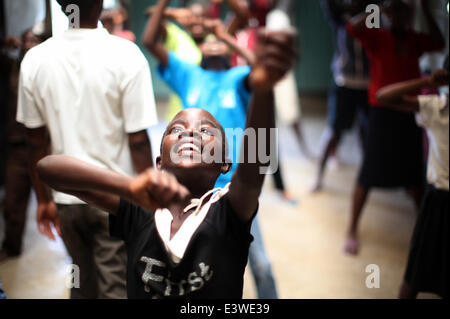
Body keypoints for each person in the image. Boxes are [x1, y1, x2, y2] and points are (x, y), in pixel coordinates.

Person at [35, 29, 297, 298]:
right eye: (176, 130)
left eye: (206, 131)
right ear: (159, 163)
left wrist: (263, 92)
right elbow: (48, 168)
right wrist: (129, 185)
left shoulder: (229, 210)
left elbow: (256, 166)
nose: (190, 133)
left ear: (225, 165)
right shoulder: (137, 210)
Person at [16, 0, 158, 298]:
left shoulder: (35, 60)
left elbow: (35, 141)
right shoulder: (126, 55)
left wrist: (44, 199)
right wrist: (151, 203)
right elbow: (138, 141)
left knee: (81, 281)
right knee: (117, 286)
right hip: (117, 202)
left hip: (65, 199)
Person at [143, 0, 280, 298]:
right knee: (191, 259)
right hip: (190, 188)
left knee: (261, 264)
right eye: (209, 41)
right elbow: (150, 41)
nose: (215, 44)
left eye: (222, 42)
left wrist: (227, 36)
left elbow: (262, 72)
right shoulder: (189, 74)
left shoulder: (238, 76)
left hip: (232, 190)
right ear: (199, 47)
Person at [343, 0, 445, 255]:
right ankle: (351, 229)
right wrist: (378, 8)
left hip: (409, 111)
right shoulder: (378, 37)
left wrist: (422, 8)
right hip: (381, 111)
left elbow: (439, 42)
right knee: (368, 174)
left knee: (414, 177)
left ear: (408, 15)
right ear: (389, 15)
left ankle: (424, 234)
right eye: (395, 12)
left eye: (403, 11)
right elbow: (352, 28)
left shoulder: (414, 39)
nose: (398, 16)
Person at [377, 60, 449, 299]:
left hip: (438, 200)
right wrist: (427, 82)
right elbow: (384, 96)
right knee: (414, 276)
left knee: (419, 277)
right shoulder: (437, 107)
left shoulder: (437, 107)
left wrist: (430, 83)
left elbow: (385, 97)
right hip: (437, 202)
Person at [314, 0, 372, 192]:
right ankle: (318, 177)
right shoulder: (340, 17)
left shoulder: (372, 16)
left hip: (368, 82)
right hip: (344, 81)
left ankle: (367, 177)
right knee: (334, 131)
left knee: (367, 132)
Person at [0, 29, 43, 262]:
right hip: (18, 147)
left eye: (35, 40)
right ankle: (11, 247)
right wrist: (5, 43)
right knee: (12, 203)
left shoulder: (49, 70)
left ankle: (76, 252)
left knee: (61, 201)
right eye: (25, 40)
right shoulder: (12, 68)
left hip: (46, 148)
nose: (29, 44)